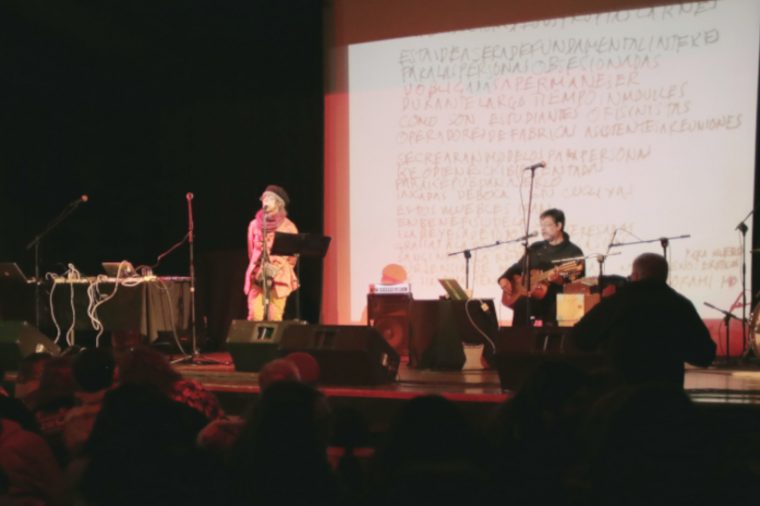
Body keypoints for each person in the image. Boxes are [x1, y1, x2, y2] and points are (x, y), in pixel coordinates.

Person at [569, 253, 716, 386]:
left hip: (621, 394)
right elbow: (705, 355)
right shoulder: (681, 304)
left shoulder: (616, 302)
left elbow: (580, 338)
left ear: (635, 276)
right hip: (667, 394)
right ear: (665, 275)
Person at [498, 208, 584, 326]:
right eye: (541, 226)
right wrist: (504, 278)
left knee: (556, 305)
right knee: (522, 303)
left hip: (558, 300)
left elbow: (578, 283)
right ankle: (518, 337)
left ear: (559, 225)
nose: (542, 229)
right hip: (534, 299)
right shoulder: (536, 247)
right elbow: (517, 267)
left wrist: (559, 280)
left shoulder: (573, 252)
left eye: (547, 225)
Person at [243, 185, 299, 321]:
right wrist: (259, 269)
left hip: (278, 278)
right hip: (257, 277)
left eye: (269, 198)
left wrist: (276, 269)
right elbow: (251, 251)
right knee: (254, 316)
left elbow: (292, 258)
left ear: (279, 203)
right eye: (264, 197)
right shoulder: (253, 225)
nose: (265, 200)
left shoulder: (289, 227)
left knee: (274, 318)